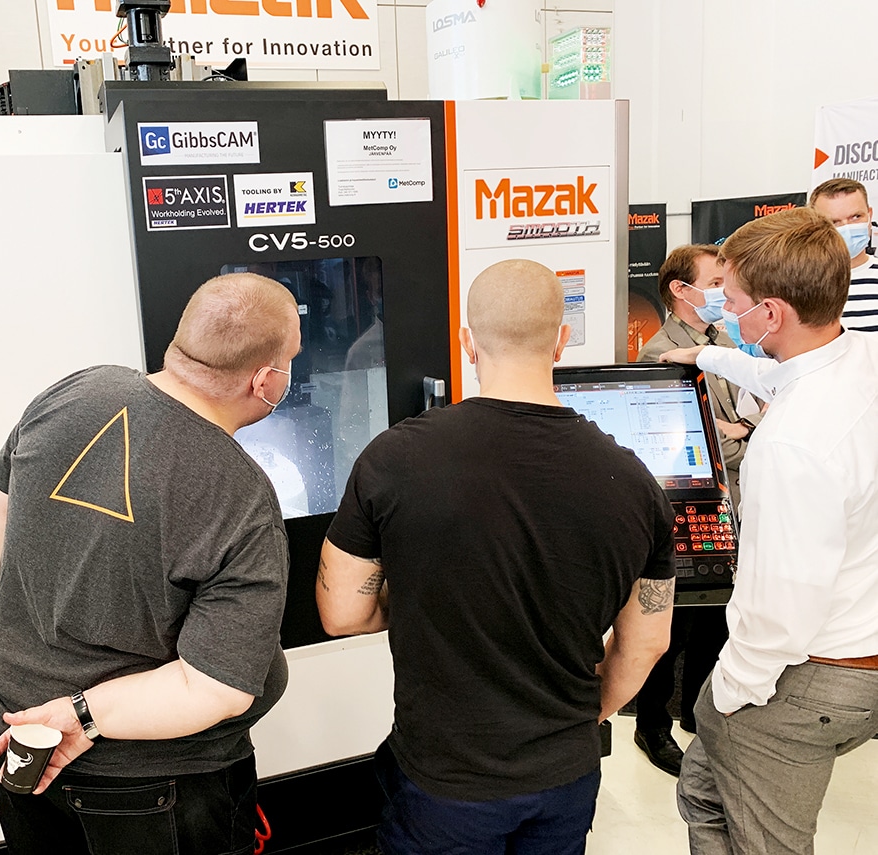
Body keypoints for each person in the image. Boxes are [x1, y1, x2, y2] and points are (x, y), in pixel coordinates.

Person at [316, 259, 675, 855]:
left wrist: (425, 591)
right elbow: (647, 643)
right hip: (565, 775)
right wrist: (585, 718)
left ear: (467, 341)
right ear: (562, 340)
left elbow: (342, 614)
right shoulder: (636, 484)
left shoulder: (395, 459)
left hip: (445, 783)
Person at [0, 272, 300, 855]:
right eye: (291, 362)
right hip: (149, 786)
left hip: (13, 734)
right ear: (264, 381)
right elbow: (216, 687)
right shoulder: (240, 495)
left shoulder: (79, 389)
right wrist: (81, 716)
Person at [659, 207, 878, 855]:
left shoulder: (792, 443)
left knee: (769, 844)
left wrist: (730, 691)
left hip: (805, 674)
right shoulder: (858, 356)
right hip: (856, 647)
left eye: (732, 301)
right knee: (703, 793)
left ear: (773, 313)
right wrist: (707, 353)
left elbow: (782, 603)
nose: (724, 309)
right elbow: (777, 371)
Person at [631, 245, 762, 777]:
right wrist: (748, 435)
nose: (723, 293)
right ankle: (651, 726)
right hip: (683, 509)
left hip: (731, 504)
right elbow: (694, 442)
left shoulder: (724, 342)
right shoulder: (659, 355)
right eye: (714, 283)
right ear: (680, 290)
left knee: (717, 618)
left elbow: (751, 413)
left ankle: (695, 713)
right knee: (672, 628)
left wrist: (744, 429)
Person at [809, 177, 878, 332]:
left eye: (856, 217)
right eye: (834, 222)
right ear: (815, 225)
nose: (847, 227)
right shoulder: (798, 283)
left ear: (869, 215)